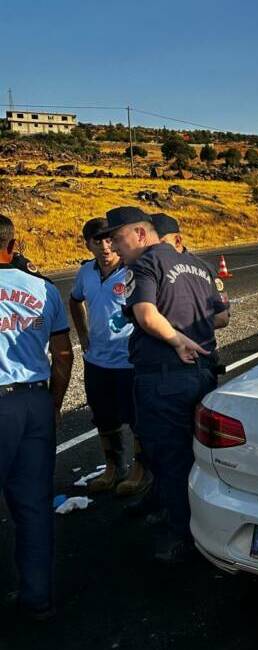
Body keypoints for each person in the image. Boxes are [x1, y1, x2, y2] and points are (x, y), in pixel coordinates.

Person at [103, 206, 230, 562]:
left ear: (141, 234)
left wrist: (175, 338)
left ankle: (182, 535)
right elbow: (221, 315)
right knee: (196, 455)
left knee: (169, 456)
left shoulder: (146, 264)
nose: (113, 246)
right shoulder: (199, 265)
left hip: (165, 375)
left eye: (117, 237)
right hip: (202, 371)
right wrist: (191, 327)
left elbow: (144, 313)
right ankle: (186, 515)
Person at [0, 213, 74, 620]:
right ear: (14, 245)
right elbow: (63, 354)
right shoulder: (43, 289)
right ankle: (37, 596)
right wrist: (54, 403)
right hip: (32, 402)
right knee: (33, 506)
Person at [68, 218, 151, 496]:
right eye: (97, 241)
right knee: (104, 417)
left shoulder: (132, 271)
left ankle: (141, 470)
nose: (104, 247)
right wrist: (82, 335)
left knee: (136, 419)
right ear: (87, 244)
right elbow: (74, 299)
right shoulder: (86, 273)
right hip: (97, 361)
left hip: (128, 361)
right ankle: (113, 468)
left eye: (108, 240)